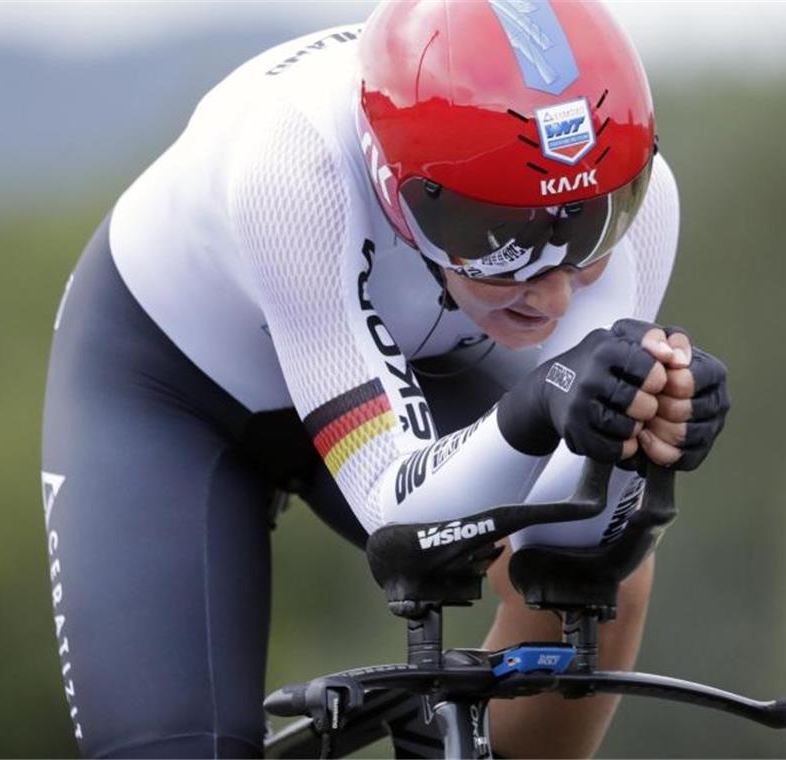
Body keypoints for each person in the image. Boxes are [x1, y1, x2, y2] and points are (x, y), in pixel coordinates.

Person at [39, 1, 731, 757]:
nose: (556, 291)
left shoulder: (639, 187)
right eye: (499, 241)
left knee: (601, 583)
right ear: (395, 185)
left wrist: (637, 439)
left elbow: (565, 533)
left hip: (412, 359)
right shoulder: (295, 164)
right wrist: (538, 406)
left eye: (589, 232)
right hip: (169, 390)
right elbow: (400, 524)